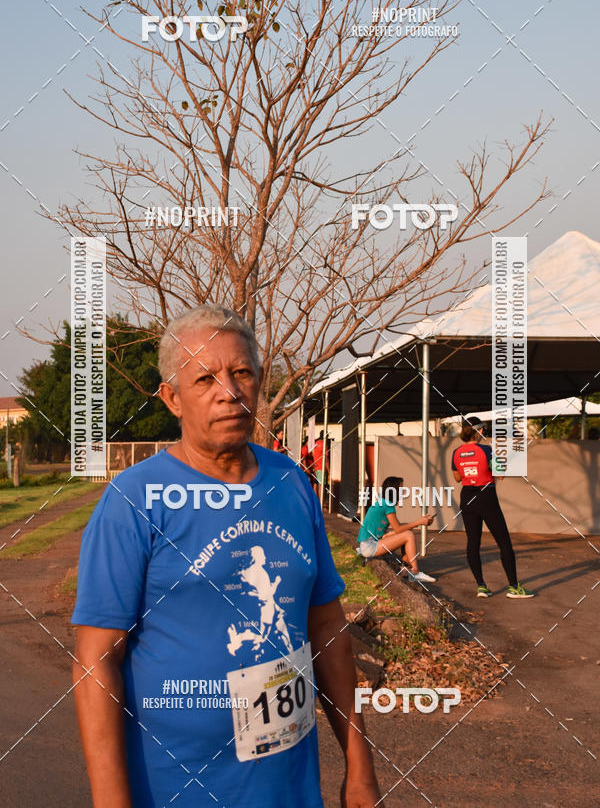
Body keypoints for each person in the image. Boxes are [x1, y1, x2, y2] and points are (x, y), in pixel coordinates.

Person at [71, 304, 380, 808]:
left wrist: (359, 764)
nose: (229, 391)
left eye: (242, 373)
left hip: (288, 787)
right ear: (172, 398)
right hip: (173, 789)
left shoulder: (291, 483)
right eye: (205, 378)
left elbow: (326, 627)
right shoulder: (135, 500)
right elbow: (96, 660)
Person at [451, 416, 534, 599]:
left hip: (467, 497)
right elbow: (500, 475)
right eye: (483, 429)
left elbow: (457, 478)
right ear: (479, 431)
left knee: (473, 542)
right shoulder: (486, 450)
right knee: (504, 542)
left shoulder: (456, 452)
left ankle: (481, 586)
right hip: (486, 497)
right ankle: (514, 587)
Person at [356, 476, 436, 583]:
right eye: (401, 489)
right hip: (369, 546)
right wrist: (419, 522)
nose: (404, 492)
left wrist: (420, 522)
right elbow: (398, 529)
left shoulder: (383, 503)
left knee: (406, 533)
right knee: (408, 535)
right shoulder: (387, 505)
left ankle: (405, 570)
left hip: (368, 545)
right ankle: (415, 573)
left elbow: (396, 529)